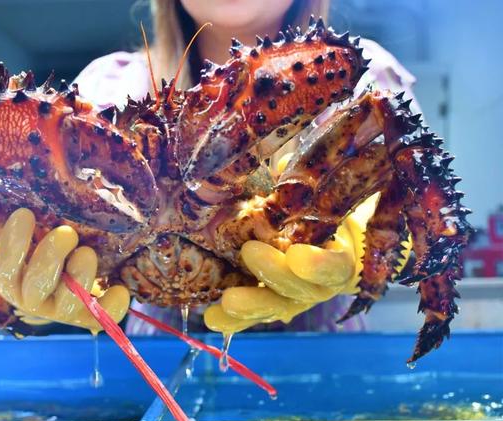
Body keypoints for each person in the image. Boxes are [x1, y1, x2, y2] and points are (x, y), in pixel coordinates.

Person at [72, 0, 421, 335]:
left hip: (324, 352)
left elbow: (418, 181)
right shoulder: (102, 92)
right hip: (153, 356)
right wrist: (24, 292)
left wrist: (369, 248)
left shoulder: (359, 74)